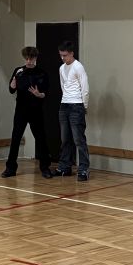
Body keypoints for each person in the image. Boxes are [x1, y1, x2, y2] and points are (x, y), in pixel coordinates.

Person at [1, 46, 53, 178]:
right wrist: (13, 83)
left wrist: (39, 94)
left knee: (40, 138)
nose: (29, 61)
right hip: (21, 110)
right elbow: (11, 90)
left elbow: (46, 93)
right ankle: (10, 168)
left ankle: (45, 167)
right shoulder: (18, 71)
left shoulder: (42, 73)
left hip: (36, 110)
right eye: (27, 58)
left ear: (35, 58)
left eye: (31, 58)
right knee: (15, 138)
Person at [55, 40, 90, 181]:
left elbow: (85, 87)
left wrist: (84, 106)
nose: (63, 58)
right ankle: (65, 167)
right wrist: (65, 99)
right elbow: (63, 86)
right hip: (64, 105)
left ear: (71, 53)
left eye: (65, 55)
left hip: (77, 105)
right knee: (65, 139)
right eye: (61, 55)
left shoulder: (78, 67)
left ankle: (83, 169)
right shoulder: (61, 68)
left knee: (78, 139)